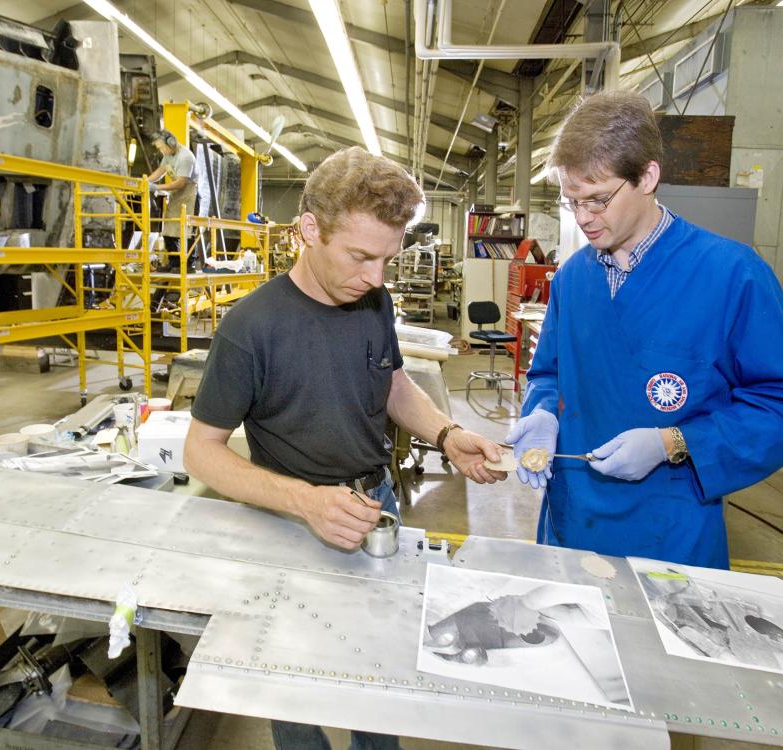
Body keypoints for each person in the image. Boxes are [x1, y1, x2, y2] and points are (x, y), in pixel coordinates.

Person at [183, 146, 506, 750]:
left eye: (388, 258)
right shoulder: (251, 328)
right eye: (361, 256)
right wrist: (305, 503)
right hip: (287, 523)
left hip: (375, 504)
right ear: (309, 229)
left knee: (377, 673)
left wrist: (446, 433)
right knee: (293, 682)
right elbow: (201, 451)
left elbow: (389, 381)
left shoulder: (375, 302)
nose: (376, 277)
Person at [508, 90, 783, 569]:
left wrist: (673, 443)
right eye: (572, 201)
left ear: (649, 176)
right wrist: (543, 413)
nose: (584, 218)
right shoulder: (573, 277)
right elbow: (549, 373)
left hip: (670, 531)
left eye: (598, 199)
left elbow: (774, 404)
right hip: (573, 518)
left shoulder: (732, 275)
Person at [146, 130, 198, 274]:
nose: (161, 151)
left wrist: (156, 187)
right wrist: (145, 182)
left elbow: (181, 183)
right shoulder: (168, 156)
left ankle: (189, 264)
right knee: (169, 230)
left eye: (162, 147)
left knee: (187, 231)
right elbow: (161, 170)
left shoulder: (185, 157)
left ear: (171, 143)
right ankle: (174, 262)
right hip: (177, 196)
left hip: (189, 195)